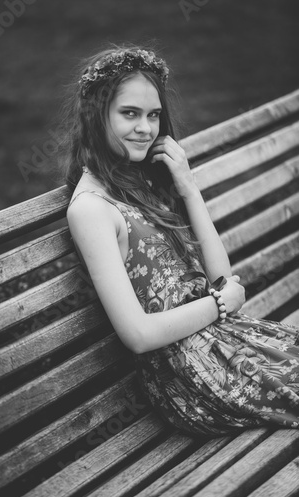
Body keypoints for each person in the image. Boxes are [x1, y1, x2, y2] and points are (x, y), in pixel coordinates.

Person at [65, 43, 299, 436]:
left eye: (153, 115)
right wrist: (219, 306)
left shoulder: (140, 182)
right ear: (95, 116)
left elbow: (221, 279)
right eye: (129, 114)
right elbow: (139, 335)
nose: (145, 128)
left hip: (223, 344)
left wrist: (189, 189)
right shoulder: (91, 209)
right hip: (193, 373)